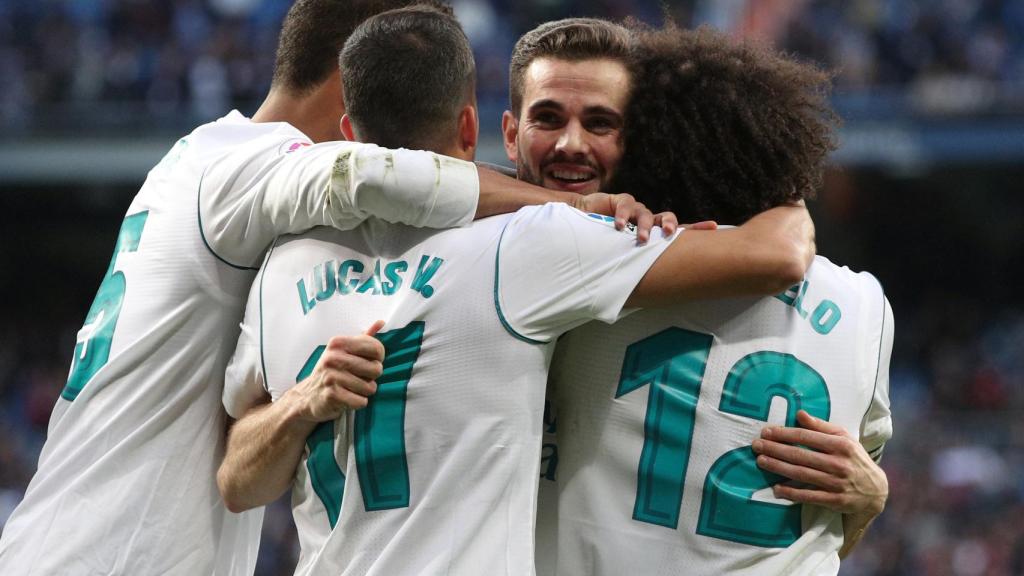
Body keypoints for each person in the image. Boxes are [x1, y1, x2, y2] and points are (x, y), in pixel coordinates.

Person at [0, 1, 646, 574]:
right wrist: (572, 210)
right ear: (349, 81)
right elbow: (374, 177)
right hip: (113, 552)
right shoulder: (252, 165)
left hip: (73, 531)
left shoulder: (199, 161)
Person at [217, 6, 816, 575]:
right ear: (479, 129)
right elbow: (777, 255)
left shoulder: (283, 268)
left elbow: (238, 482)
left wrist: (299, 402)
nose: (572, 144)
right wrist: (772, 167)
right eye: (549, 118)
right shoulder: (534, 245)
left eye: (600, 122)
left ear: (349, 131)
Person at [546, 24, 893, 575]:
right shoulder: (865, 305)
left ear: (643, 151)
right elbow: (833, 517)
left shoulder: (584, 264)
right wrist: (872, 501)